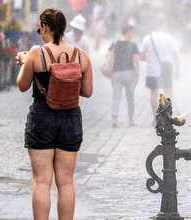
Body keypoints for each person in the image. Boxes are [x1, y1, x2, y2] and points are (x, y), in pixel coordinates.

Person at [15, 8, 93, 219]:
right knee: (66, 180)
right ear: (65, 28)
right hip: (71, 118)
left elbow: (22, 85)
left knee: (41, 180)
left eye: (41, 27)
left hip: (42, 117)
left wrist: (24, 61)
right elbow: (87, 91)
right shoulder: (81, 55)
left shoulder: (35, 53)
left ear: (45, 27)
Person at [140, 21, 180, 123]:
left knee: (154, 92)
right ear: (164, 27)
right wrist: (178, 70)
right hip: (166, 68)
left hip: (152, 70)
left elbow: (142, 57)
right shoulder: (168, 38)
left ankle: (155, 117)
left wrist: (151, 58)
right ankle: (166, 115)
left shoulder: (147, 38)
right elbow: (175, 55)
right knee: (167, 91)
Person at [108, 24, 140, 127]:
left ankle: (114, 119)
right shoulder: (133, 45)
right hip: (129, 74)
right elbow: (136, 62)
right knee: (130, 97)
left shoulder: (115, 43)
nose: (133, 34)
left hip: (115, 74)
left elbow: (107, 56)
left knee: (116, 97)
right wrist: (137, 75)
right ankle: (131, 119)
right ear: (129, 32)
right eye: (132, 32)